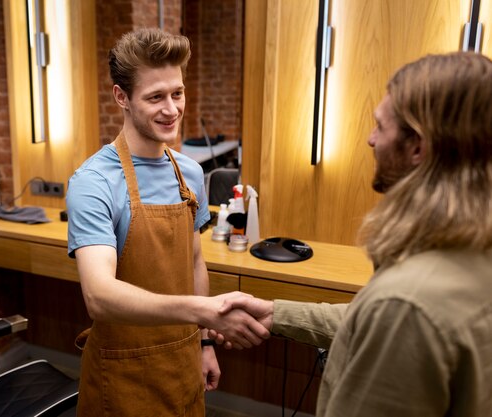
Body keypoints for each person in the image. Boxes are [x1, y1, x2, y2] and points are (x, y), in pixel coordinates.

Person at [213, 52, 492, 416]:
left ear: (418, 147)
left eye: (380, 126)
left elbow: (391, 317)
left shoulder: (406, 304)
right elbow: (369, 322)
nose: (370, 140)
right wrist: (275, 313)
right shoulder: (469, 252)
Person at [66, 28, 269, 416]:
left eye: (177, 93)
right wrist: (202, 311)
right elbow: (99, 296)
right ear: (121, 97)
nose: (172, 109)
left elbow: (193, 263)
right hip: (123, 376)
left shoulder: (190, 174)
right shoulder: (94, 183)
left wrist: (204, 344)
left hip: (182, 363)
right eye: (155, 97)